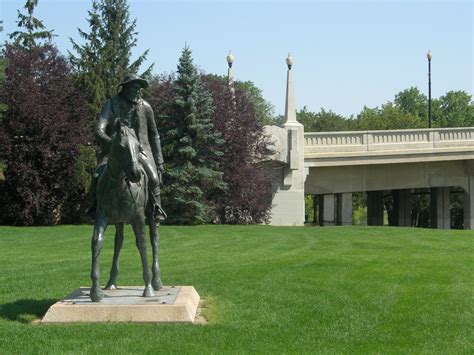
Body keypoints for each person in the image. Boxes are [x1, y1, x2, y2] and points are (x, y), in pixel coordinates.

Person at [88, 74, 167, 221]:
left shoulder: (146, 107)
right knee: (97, 176)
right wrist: (114, 145)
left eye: (139, 88)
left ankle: (157, 209)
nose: (137, 91)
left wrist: (160, 161)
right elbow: (99, 130)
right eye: (134, 87)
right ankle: (93, 207)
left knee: (154, 179)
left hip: (142, 151)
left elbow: (154, 135)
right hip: (115, 150)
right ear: (125, 88)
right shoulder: (111, 104)